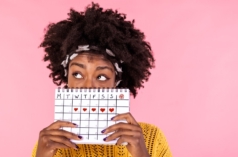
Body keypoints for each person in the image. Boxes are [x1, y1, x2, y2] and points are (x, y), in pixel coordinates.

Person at [32, 3, 172, 157]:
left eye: (101, 76)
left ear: (116, 82)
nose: (88, 87)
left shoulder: (151, 139)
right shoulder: (49, 145)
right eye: (77, 74)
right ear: (67, 78)